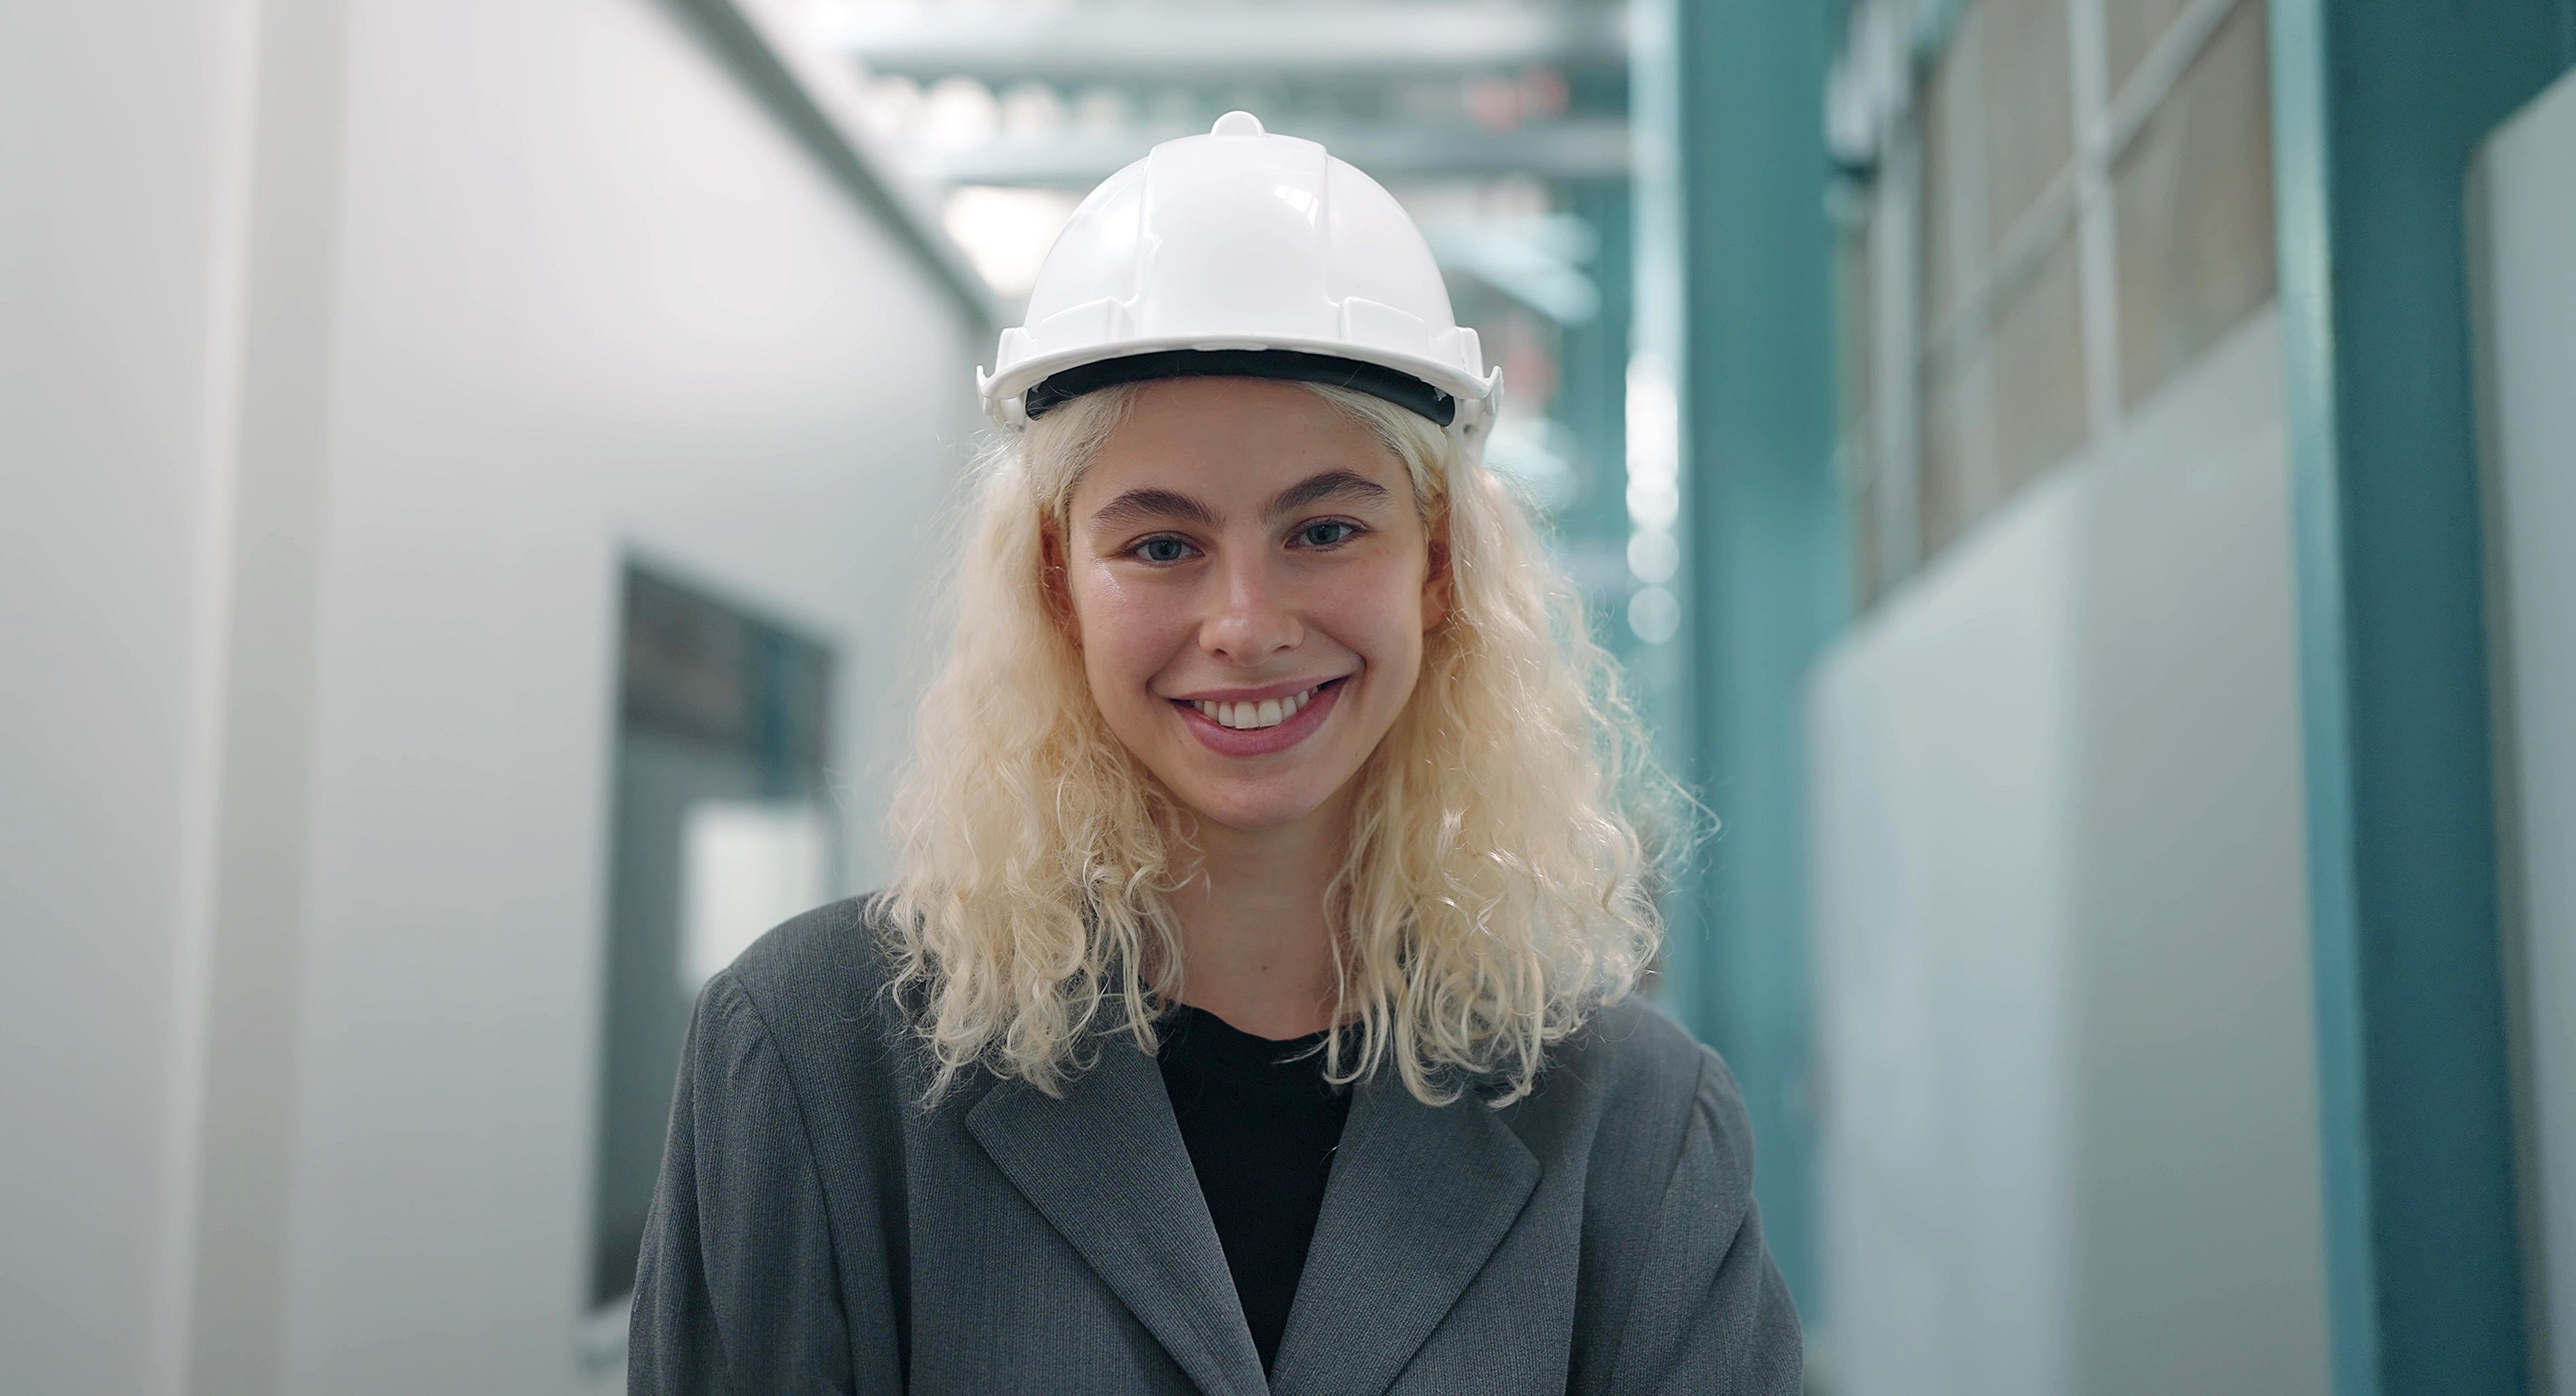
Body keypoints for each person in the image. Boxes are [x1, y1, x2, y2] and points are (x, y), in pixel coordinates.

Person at [629, 111, 1802, 1395]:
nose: (1245, 626)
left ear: (1437, 570)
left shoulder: (1636, 1123)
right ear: (1057, 587)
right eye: (1162, 545)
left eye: (1327, 530)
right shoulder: (812, 1058)